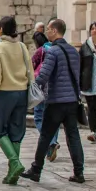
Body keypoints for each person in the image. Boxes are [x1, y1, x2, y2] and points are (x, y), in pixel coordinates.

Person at [23, 18, 86, 184]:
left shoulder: (52, 51)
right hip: (72, 100)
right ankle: (79, 172)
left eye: (49, 30)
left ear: (54, 31)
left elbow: (43, 75)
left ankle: (36, 169)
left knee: (45, 135)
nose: (47, 33)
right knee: (73, 136)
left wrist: (32, 90)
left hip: (56, 100)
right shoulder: (73, 51)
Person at [0, 16, 32, 185]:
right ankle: (12, 171)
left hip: (4, 92)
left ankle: (14, 162)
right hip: (21, 91)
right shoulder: (22, 47)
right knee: (16, 131)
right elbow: (30, 70)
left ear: (1, 29)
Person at [32, 27, 60, 161]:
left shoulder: (40, 51)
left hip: (42, 88)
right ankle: (53, 142)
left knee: (38, 116)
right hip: (56, 90)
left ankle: (51, 142)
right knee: (53, 119)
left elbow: (32, 67)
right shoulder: (60, 50)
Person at [80, 21, 96, 142]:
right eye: (92, 29)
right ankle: (92, 132)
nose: (94, 31)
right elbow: (80, 65)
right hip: (89, 83)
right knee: (91, 108)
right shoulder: (85, 46)